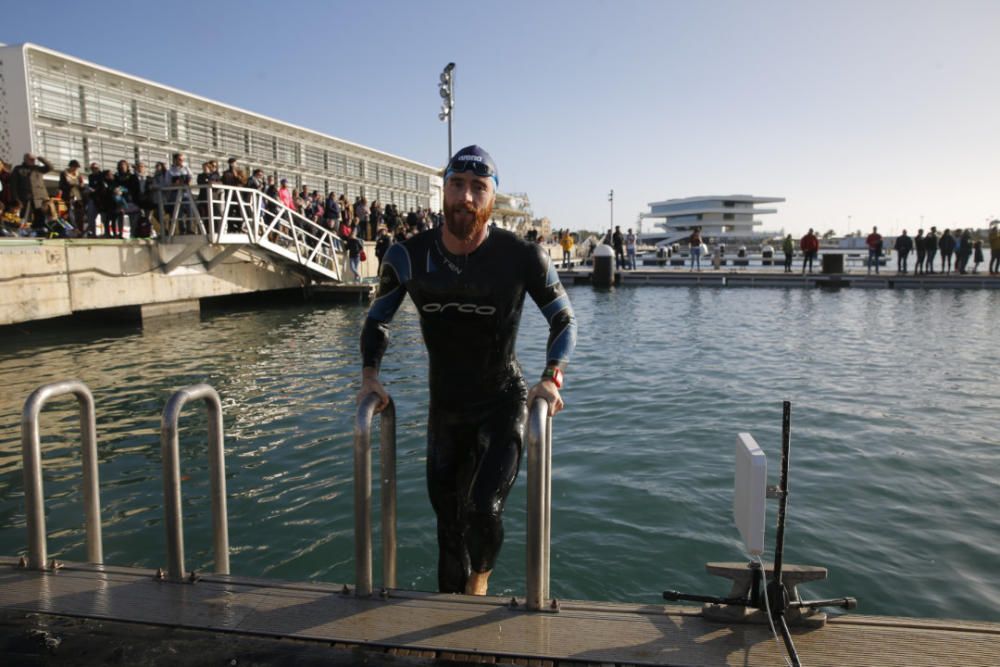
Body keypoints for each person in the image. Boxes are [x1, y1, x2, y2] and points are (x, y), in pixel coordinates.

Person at [357, 145, 576, 596]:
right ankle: (446, 627)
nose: (466, 197)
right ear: (444, 191)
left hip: (503, 401)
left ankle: (479, 589)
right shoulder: (406, 256)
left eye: (479, 188)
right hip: (447, 410)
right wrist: (370, 376)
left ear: (492, 198)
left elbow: (564, 320)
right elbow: (377, 320)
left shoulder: (522, 257)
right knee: (448, 528)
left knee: (483, 509)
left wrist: (551, 377)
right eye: (457, 185)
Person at [11, 153, 53, 234]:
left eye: (33, 159)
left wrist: (40, 158)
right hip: (25, 197)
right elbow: (13, 185)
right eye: (30, 159)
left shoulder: (38, 169)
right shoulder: (18, 169)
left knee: (40, 216)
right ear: (25, 159)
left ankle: (40, 231)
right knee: (25, 217)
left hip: (39, 198)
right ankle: (25, 232)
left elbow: (50, 167)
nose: (32, 161)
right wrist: (16, 199)